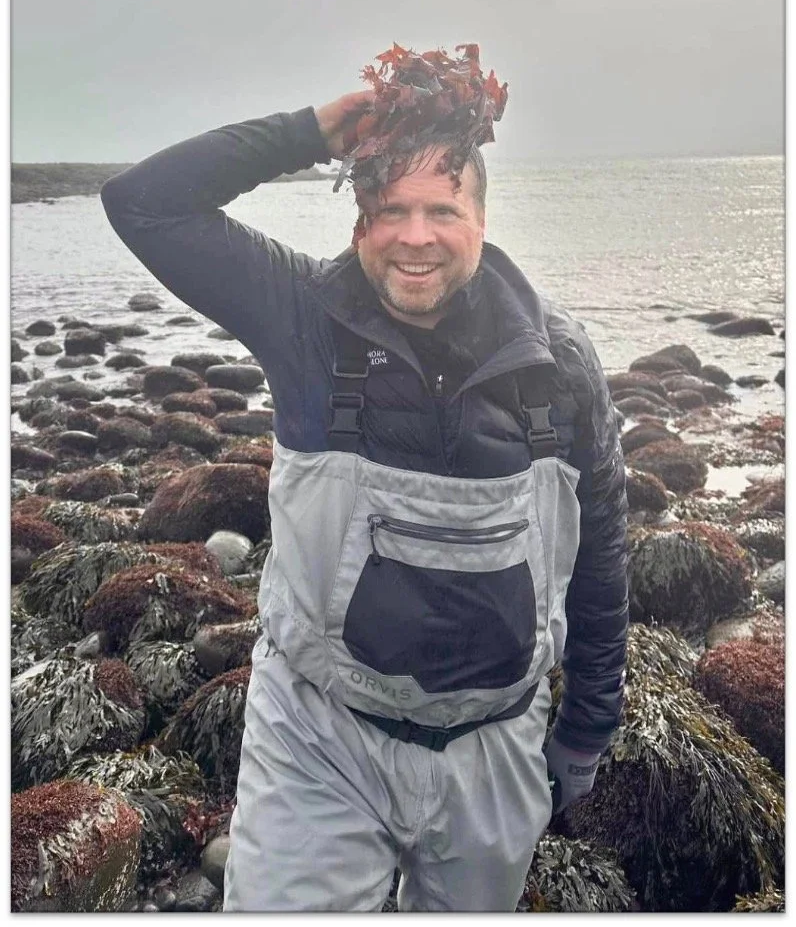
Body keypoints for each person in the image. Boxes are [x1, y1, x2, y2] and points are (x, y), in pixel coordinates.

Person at [101, 89, 628, 912]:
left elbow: (600, 546)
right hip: (319, 735)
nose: (416, 236)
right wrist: (311, 132)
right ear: (358, 227)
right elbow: (144, 203)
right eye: (391, 211)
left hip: (494, 748)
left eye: (442, 210)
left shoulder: (557, 361)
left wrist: (589, 726)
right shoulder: (303, 315)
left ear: (481, 222)